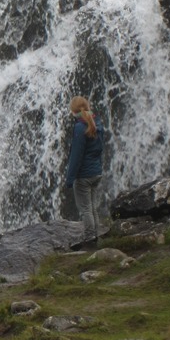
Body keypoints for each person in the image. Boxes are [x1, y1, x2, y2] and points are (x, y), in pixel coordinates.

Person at [65, 95, 105, 249]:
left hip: (84, 176)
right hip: (96, 172)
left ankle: (90, 238)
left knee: (86, 209)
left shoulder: (79, 128)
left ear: (74, 111)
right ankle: (96, 235)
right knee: (92, 207)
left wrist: (70, 178)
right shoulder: (97, 122)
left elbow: (76, 156)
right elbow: (99, 149)